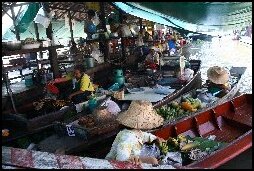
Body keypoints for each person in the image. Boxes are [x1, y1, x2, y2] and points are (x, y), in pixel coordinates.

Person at [105, 100, 166, 166]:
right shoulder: (127, 137)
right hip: (113, 164)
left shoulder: (137, 131)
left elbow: (144, 136)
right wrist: (142, 160)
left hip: (131, 157)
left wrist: (156, 138)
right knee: (153, 160)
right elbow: (121, 159)